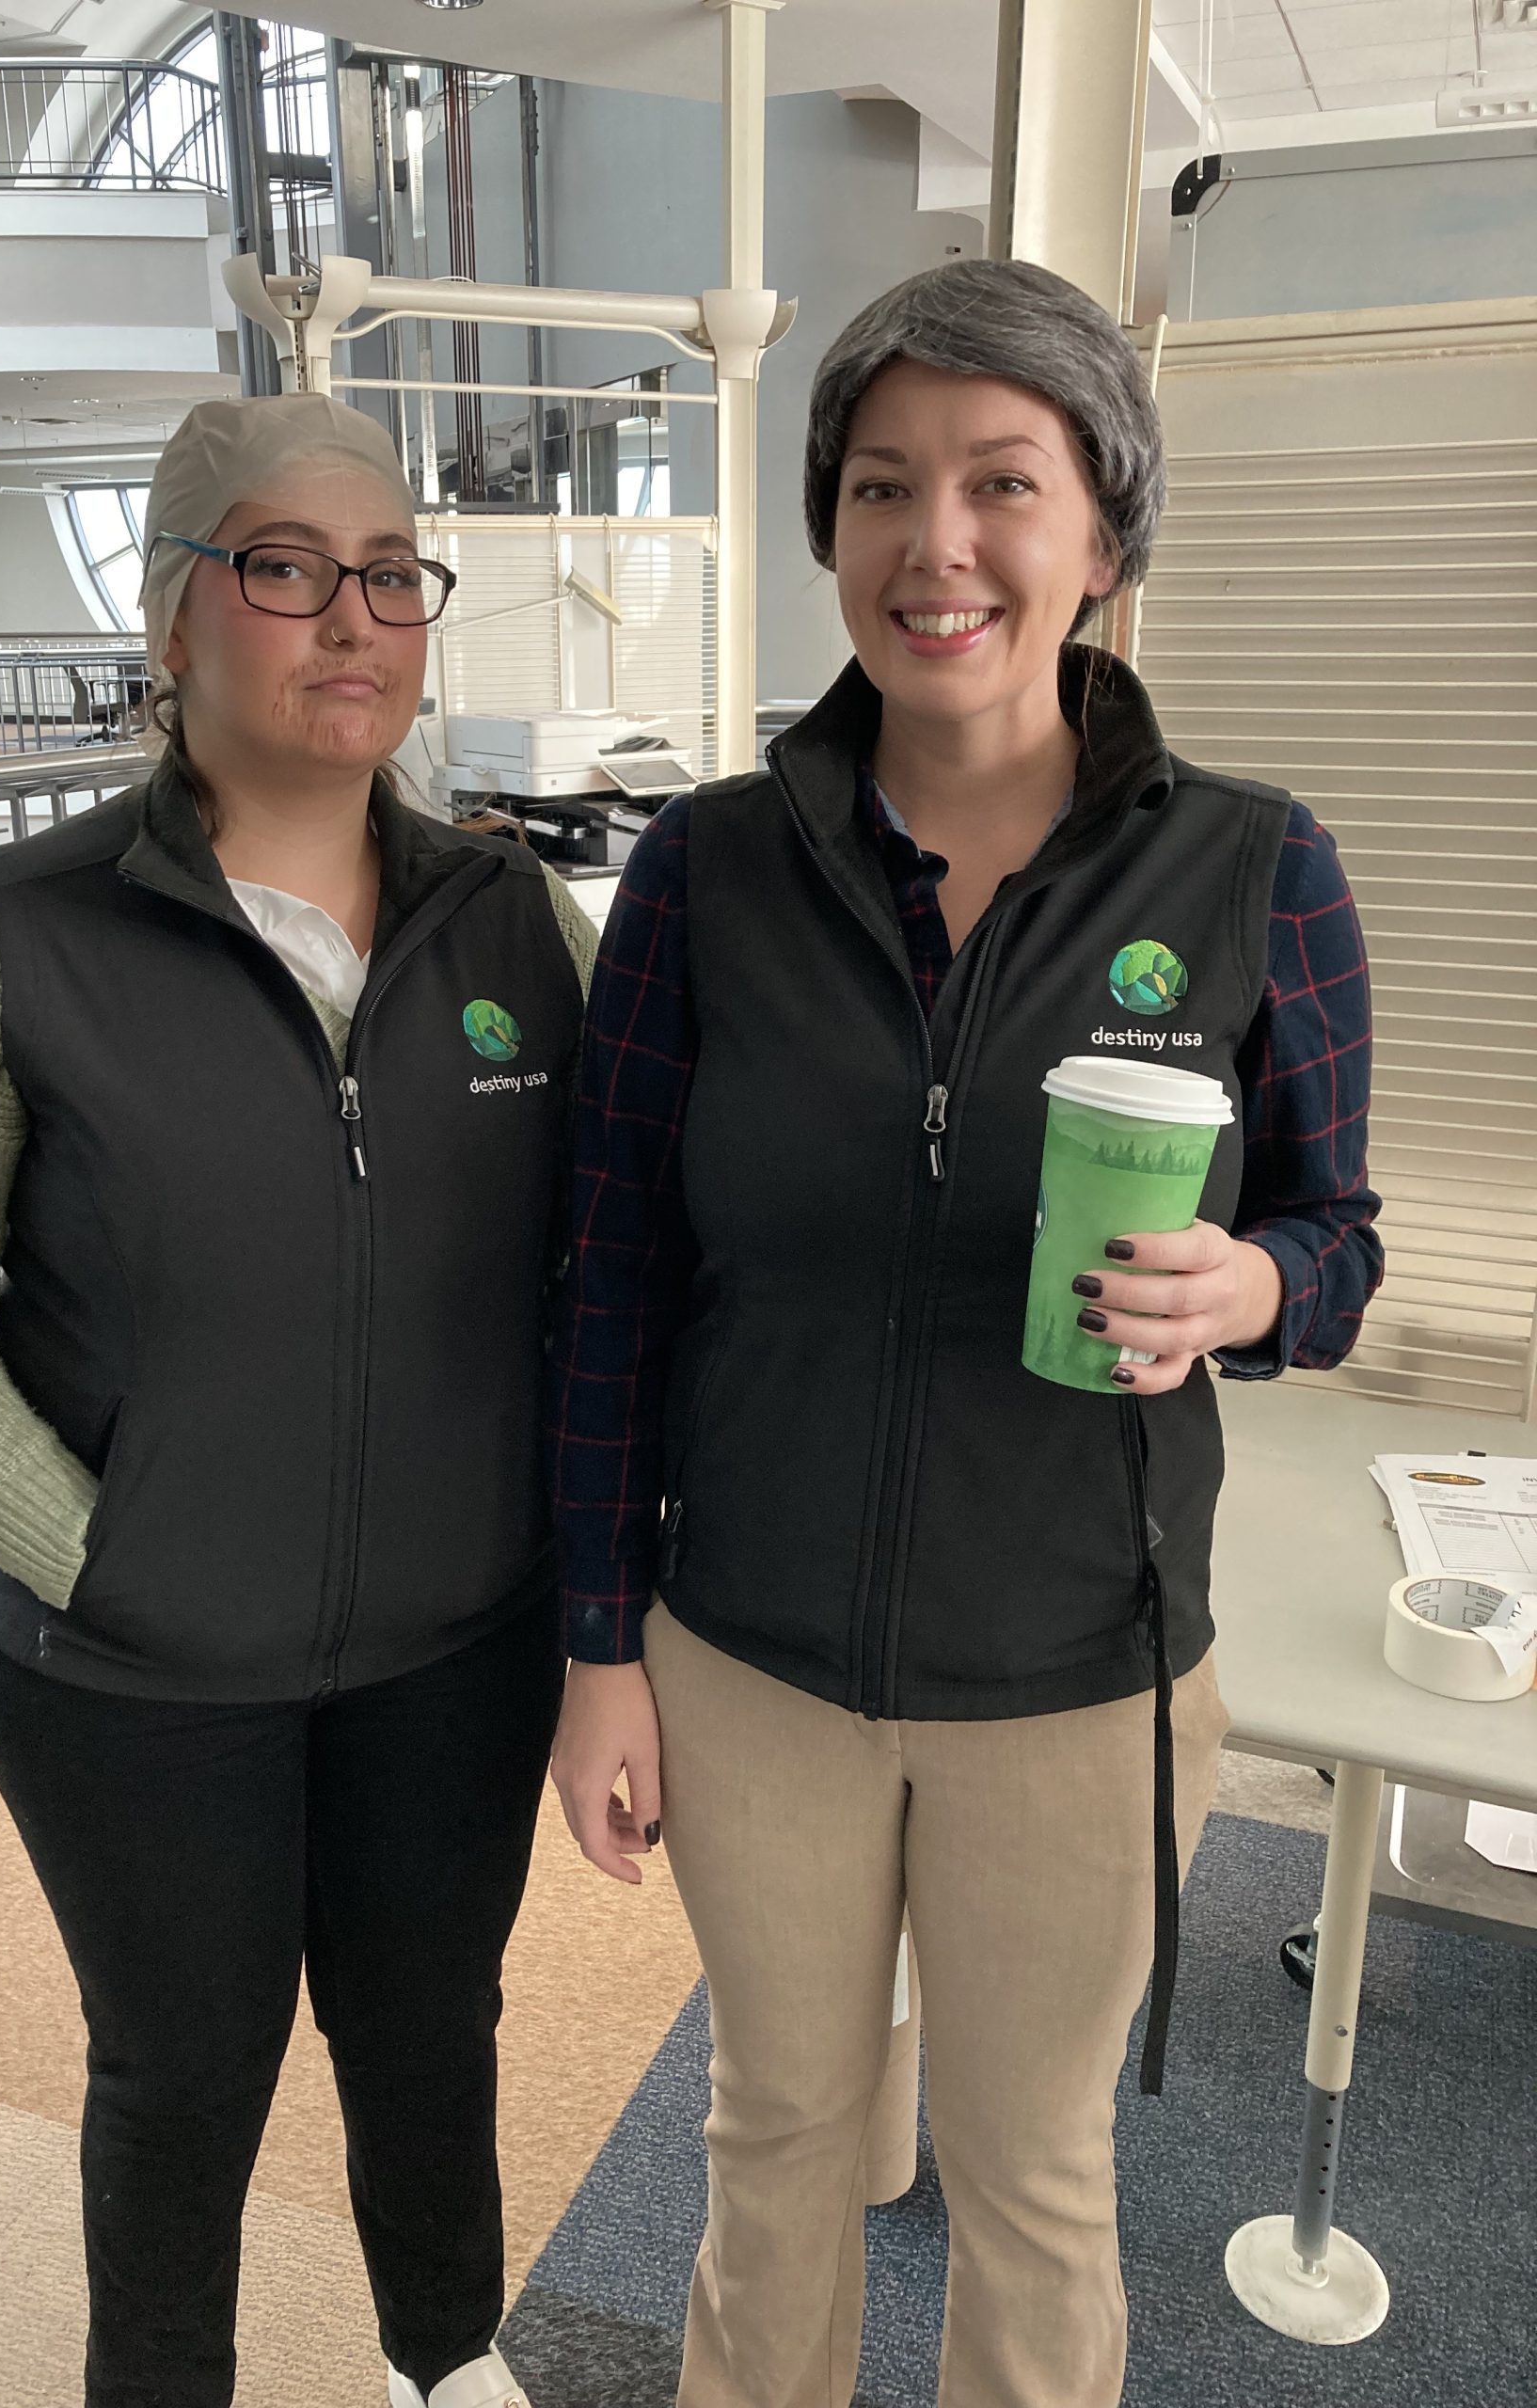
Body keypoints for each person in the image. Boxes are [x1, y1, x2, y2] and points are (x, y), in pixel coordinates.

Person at [547, 260, 1384, 2408]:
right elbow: (609, 1279)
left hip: (1082, 1672)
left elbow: (1338, 1239)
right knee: (776, 2140)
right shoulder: (708, 873)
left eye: (1005, 481)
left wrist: (1254, 1287)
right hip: (754, 1655)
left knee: (1033, 2174)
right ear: (830, 526)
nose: (940, 543)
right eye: (882, 485)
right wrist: (599, 1643)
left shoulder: (1254, 870)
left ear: (1104, 531)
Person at [0, 392, 598, 2408]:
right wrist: (117, 1557)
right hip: (129, 1665)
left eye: (392, 576)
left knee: (432, 2029)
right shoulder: (9, 938)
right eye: (285, 566)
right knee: (184, 2068)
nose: (353, 620)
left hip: (459, 1640)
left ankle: (447, 2357)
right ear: (170, 615)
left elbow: (624, 1253)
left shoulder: (516, 921)